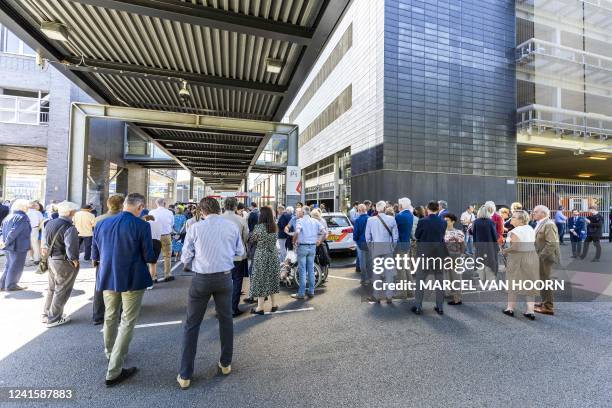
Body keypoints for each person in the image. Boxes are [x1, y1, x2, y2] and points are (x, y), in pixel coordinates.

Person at [178, 197, 244, 390]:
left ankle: (185, 375)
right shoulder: (231, 227)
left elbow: (186, 255)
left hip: (201, 279)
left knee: (192, 324)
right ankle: (225, 364)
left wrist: (190, 261)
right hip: (225, 277)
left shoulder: (196, 228)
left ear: (202, 211)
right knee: (226, 321)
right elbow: (239, 250)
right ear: (218, 209)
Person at [92, 193, 156, 387]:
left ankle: (110, 353)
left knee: (110, 316)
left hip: (107, 277)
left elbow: (95, 254)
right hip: (132, 279)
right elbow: (148, 255)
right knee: (127, 321)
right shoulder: (142, 225)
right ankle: (114, 370)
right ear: (139, 207)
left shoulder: (102, 223)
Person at [41, 201, 80, 327]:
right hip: (63, 261)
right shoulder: (69, 227)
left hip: (51, 259)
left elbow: (45, 242)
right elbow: (71, 247)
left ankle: (47, 314)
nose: (75, 213)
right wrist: (74, 260)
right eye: (74, 211)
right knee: (62, 289)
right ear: (69, 213)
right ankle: (54, 318)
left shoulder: (49, 222)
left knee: (52, 288)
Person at [91, 195, 125, 325]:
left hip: (103, 258)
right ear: (122, 205)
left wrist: (95, 257)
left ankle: (98, 315)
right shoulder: (124, 220)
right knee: (121, 286)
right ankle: (120, 313)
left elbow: (95, 241)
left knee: (100, 286)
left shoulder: (99, 220)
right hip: (121, 258)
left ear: (108, 204)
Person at [502, 210, 539, 320]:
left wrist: (505, 251)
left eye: (514, 217)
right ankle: (530, 310)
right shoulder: (530, 228)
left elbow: (515, 247)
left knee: (513, 283)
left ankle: (510, 308)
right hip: (531, 257)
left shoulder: (516, 231)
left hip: (518, 258)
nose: (511, 219)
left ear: (520, 219)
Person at [412, 201, 447, 315]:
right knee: (439, 281)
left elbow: (417, 235)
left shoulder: (422, 221)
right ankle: (440, 307)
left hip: (424, 254)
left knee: (420, 280)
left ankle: (418, 306)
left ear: (427, 209)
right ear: (437, 209)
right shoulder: (443, 222)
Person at [248, 206, 281, 314]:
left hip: (261, 255)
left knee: (260, 280)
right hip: (273, 255)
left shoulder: (259, 227)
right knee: (272, 279)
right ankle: (274, 305)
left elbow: (252, 240)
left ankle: (260, 307)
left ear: (262, 215)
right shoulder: (274, 226)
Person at [365, 200, 399, 304]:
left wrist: (371, 247)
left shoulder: (370, 220)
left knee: (377, 273)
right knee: (389, 272)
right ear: (385, 209)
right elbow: (395, 236)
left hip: (376, 248)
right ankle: (389, 296)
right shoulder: (391, 219)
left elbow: (367, 237)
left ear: (376, 209)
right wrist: (393, 247)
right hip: (388, 247)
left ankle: (377, 296)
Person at [220, 197, 249, 318]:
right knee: (237, 281)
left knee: (221, 283)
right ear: (236, 206)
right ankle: (233, 308)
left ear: (224, 205)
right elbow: (246, 237)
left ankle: (221, 309)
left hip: (221, 256)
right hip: (238, 256)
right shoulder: (241, 220)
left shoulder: (218, 219)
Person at [291, 206, 325, 300]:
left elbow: (297, 232)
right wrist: (320, 241)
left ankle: (301, 293)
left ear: (303, 213)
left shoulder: (300, 221)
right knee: (310, 269)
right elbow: (325, 232)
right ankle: (311, 291)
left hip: (303, 246)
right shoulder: (315, 221)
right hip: (312, 246)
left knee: (302, 270)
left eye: (301, 211)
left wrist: (294, 241)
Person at [532, 205, 560, 316]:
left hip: (546, 258)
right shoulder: (541, 223)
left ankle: (548, 307)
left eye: (535, 212)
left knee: (546, 282)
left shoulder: (548, 224)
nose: (533, 213)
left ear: (543, 213)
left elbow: (552, 243)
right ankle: (544, 302)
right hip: (542, 257)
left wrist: (540, 257)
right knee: (542, 281)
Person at [0, 199, 32, 291]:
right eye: (27, 207)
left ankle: (2, 285)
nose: (28, 208)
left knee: (9, 265)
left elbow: (2, 231)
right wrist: (6, 242)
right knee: (16, 266)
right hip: (18, 246)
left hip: (8, 246)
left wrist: (4, 242)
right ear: (22, 207)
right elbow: (14, 232)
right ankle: (11, 285)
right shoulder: (22, 217)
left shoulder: (9, 216)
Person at [149, 198, 175, 282]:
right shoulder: (169, 212)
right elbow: (172, 223)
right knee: (167, 256)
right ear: (164, 203)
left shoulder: (152, 212)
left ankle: (153, 276)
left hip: (154, 236)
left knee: (153, 257)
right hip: (166, 236)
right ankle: (167, 275)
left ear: (156, 204)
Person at [443, 213, 465, 306]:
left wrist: (460, 255)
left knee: (456, 277)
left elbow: (463, 245)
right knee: (447, 276)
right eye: (444, 220)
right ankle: (450, 293)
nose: (445, 221)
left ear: (453, 221)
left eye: (447, 220)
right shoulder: (442, 232)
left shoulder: (458, 232)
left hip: (455, 256)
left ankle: (457, 298)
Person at [472, 205, 499, 281]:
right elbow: (494, 235)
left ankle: (482, 278)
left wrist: (475, 244)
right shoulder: (491, 222)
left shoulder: (476, 222)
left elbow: (474, 234)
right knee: (490, 261)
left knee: (480, 261)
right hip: (490, 245)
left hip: (479, 246)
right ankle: (490, 279)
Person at [395, 197, 414, 298]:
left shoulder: (399, 216)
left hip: (400, 245)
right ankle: (410, 292)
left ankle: (403, 293)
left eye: (398, 204)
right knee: (406, 268)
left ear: (401, 205)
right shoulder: (410, 215)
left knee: (400, 269)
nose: (398, 206)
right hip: (406, 244)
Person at [143, 215, 162, 288]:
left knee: (144, 262)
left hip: (148, 242)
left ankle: (147, 280)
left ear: (146, 219)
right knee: (153, 263)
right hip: (157, 243)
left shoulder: (146, 223)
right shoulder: (158, 224)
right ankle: (152, 279)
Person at [352, 204, 369, 284]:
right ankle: (370, 278)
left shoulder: (358, 220)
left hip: (361, 243)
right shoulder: (371, 219)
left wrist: (356, 240)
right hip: (370, 243)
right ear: (365, 210)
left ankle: (364, 279)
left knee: (362, 262)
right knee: (369, 261)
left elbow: (355, 234)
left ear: (359, 211)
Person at [26, 200, 44, 265]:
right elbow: (42, 222)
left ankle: (31, 257)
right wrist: (38, 228)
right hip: (35, 229)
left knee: (28, 244)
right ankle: (36, 259)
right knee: (35, 244)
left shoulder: (26, 212)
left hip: (27, 229)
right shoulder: (38, 213)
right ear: (34, 206)